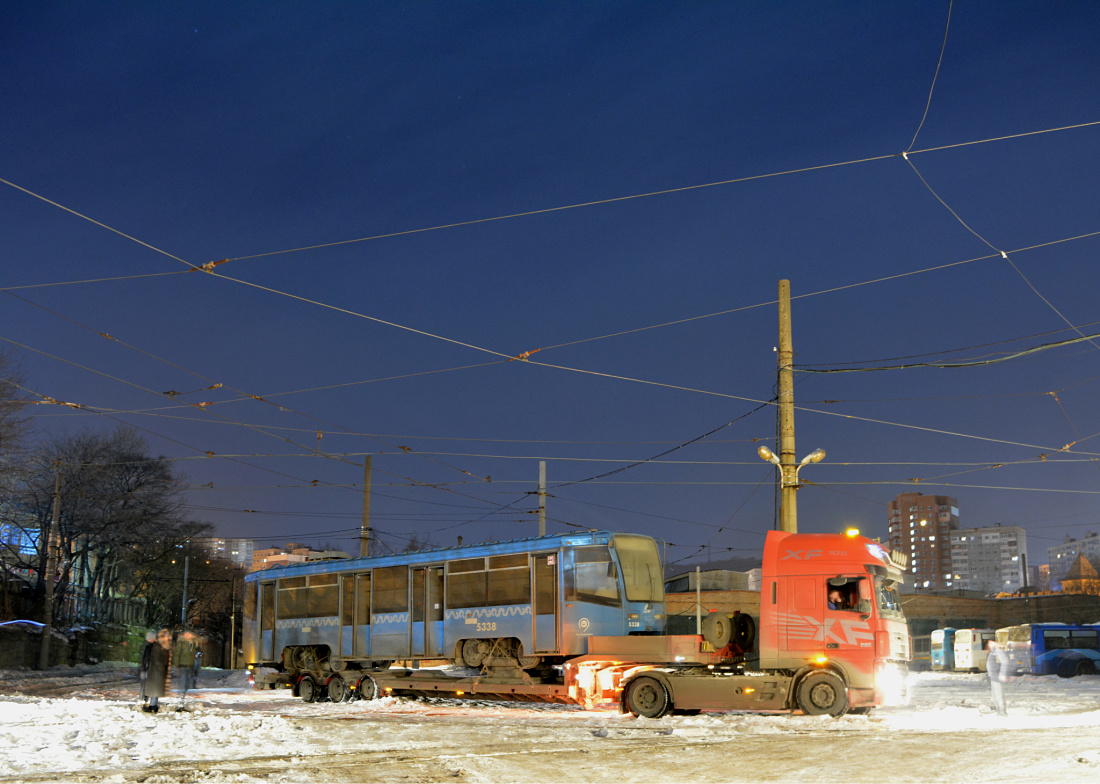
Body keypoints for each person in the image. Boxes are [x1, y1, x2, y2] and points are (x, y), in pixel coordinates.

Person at [143, 629, 173, 713]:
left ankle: (153, 704)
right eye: (166, 636)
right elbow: (156, 659)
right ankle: (152, 705)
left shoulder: (164, 646)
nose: (168, 637)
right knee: (154, 689)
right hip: (156, 672)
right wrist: (161, 668)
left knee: (155, 689)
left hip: (159, 672)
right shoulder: (158, 646)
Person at [986, 641, 1010, 716]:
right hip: (993, 676)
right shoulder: (993, 652)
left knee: (999, 695)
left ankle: (1002, 712)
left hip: (997, 676)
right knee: (995, 696)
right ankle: (998, 711)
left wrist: (1002, 674)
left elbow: (1005, 662)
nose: (989, 644)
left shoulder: (998, 651)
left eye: (990, 643)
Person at [138, 630, 156, 705]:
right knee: (145, 683)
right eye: (152, 638)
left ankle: (144, 697)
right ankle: (143, 697)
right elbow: (145, 658)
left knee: (145, 683)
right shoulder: (147, 646)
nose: (153, 639)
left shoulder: (148, 645)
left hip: (146, 667)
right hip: (146, 667)